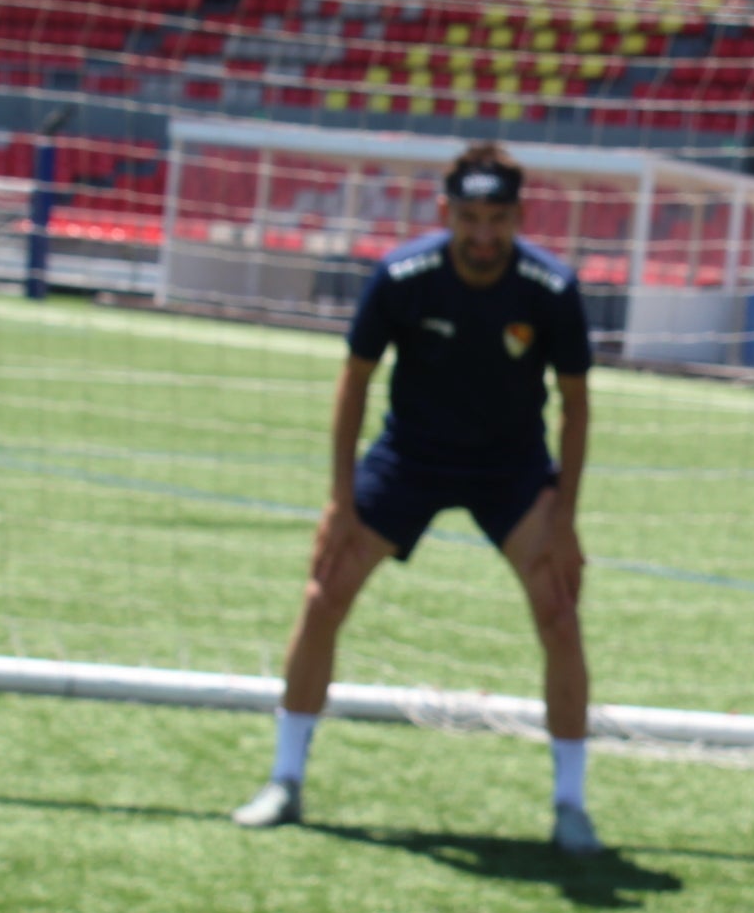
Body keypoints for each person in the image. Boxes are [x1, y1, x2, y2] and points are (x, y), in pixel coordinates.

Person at [233, 143, 604, 856]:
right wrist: (340, 501)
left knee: (559, 608)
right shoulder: (401, 276)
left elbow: (578, 405)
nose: (485, 234)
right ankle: (285, 778)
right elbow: (355, 382)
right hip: (411, 459)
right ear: (446, 213)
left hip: (512, 468)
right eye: (470, 217)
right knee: (323, 594)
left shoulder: (550, 289)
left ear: (519, 216)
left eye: (498, 218)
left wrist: (564, 519)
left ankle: (571, 803)